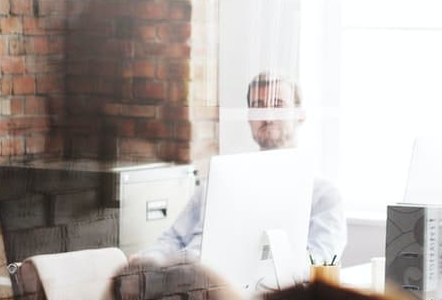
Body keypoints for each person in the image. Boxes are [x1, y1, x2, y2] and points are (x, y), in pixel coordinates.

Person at [136, 71, 346, 263]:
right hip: (183, 278)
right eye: (258, 106)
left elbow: (317, 262)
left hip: (239, 288)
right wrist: (146, 262)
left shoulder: (323, 194)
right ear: (249, 117)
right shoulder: (220, 182)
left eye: (277, 104)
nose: (267, 117)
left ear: (300, 115)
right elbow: (173, 239)